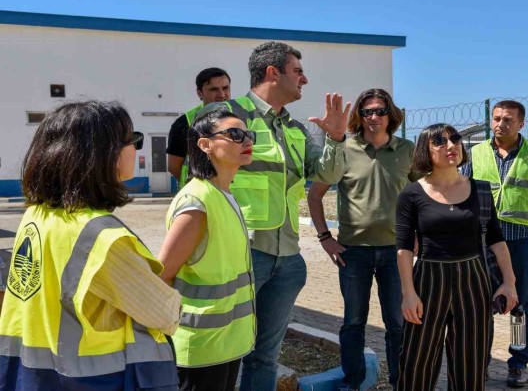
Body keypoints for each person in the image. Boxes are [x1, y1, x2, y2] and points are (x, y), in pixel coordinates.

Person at [0, 101, 181, 390]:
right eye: (133, 140)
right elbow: (164, 314)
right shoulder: (100, 235)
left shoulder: (37, 214)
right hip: (96, 380)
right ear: (103, 155)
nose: (137, 148)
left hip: (34, 374)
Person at [224, 41, 350, 391]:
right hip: (242, 254)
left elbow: (329, 175)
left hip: (287, 259)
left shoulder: (295, 129)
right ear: (272, 72)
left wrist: (336, 137)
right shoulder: (228, 118)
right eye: (298, 71)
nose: (304, 79)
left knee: (265, 355)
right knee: (224, 350)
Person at [396, 123, 518, 391]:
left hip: (473, 279)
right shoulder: (412, 193)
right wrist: (408, 293)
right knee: (418, 360)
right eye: (439, 141)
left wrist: (509, 282)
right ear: (425, 151)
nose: (451, 145)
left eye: (455, 139)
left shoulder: (480, 190)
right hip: (428, 279)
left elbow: (497, 240)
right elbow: (404, 247)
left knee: (470, 363)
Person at [307, 88, 415, 391]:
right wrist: (325, 237)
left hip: (397, 254)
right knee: (354, 322)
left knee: (398, 324)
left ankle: (401, 382)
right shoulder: (345, 150)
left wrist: (419, 234)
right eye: (368, 111)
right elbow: (315, 195)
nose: (374, 117)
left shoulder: (407, 150)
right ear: (360, 116)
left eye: (380, 110)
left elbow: (425, 195)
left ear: (390, 115)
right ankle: (353, 382)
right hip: (353, 253)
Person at [158, 108, 256, 391]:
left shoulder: (224, 194)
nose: (246, 140)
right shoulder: (197, 202)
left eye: (248, 134)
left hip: (226, 343)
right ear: (205, 144)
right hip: (199, 348)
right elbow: (162, 274)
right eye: (235, 134)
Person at [461, 99, 528, 387]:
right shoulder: (475, 153)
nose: (501, 123)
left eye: (508, 119)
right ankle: (481, 360)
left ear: (521, 124)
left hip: (522, 240)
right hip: (483, 241)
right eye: (497, 118)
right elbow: (464, 191)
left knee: (519, 306)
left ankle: (517, 363)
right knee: (479, 304)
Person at [167, 67, 232, 188]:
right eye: (214, 89)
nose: (222, 95)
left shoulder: (243, 118)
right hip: (196, 195)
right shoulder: (184, 123)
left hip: (233, 194)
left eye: (225, 88)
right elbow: (174, 167)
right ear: (199, 93)